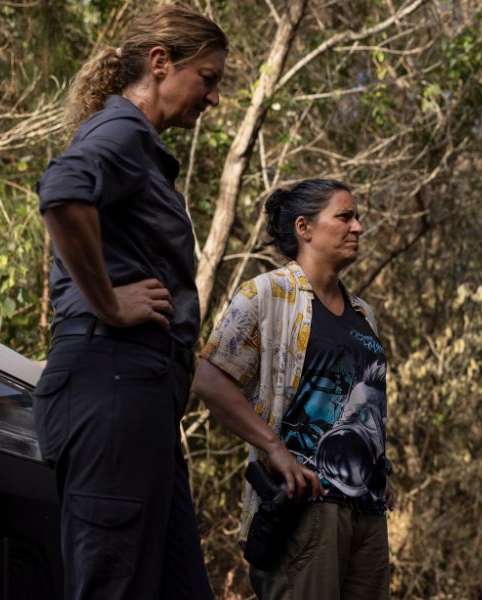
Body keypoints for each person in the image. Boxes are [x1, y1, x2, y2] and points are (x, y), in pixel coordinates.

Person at [32, 6, 227, 599]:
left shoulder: (141, 148)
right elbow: (62, 191)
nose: (213, 97)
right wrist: (109, 303)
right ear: (161, 63)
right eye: (208, 78)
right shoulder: (122, 131)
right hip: (112, 382)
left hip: (143, 402)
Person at [192, 179, 394, 599]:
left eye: (357, 218)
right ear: (305, 228)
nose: (358, 227)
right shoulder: (268, 294)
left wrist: (381, 466)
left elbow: (363, 400)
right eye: (345, 216)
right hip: (308, 506)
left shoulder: (363, 314)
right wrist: (274, 447)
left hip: (369, 512)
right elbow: (209, 379)